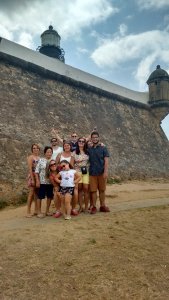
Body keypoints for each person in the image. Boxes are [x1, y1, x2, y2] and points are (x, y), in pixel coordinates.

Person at [87, 131, 110, 214]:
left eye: (96, 137)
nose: (95, 139)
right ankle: (93, 206)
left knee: (102, 190)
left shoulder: (103, 148)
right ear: (91, 139)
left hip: (101, 172)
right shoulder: (89, 149)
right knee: (93, 191)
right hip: (92, 173)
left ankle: (102, 206)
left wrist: (105, 171)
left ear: (98, 138)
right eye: (93, 137)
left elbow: (106, 160)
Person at [35, 146, 53, 218]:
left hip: (50, 182)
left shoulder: (53, 161)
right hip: (42, 182)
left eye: (50, 152)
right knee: (40, 197)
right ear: (45, 153)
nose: (49, 153)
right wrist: (37, 181)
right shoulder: (41, 160)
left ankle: (47, 211)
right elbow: (36, 171)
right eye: (48, 152)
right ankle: (39, 211)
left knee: (49, 197)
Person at [73, 137, 90, 213]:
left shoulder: (88, 151)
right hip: (78, 172)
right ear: (77, 142)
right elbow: (72, 163)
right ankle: (80, 207)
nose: (81, 142)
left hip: (85, 172)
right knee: (79, 189)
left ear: (85, 143)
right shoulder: (74, 152)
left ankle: (86, 207)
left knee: (86, 189)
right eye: (80, 141)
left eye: (83, 141)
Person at [26, 143, 40, 217]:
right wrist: (33, 179)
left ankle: (36, 210)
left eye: (37, 148)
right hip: (32, 177)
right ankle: (28, 211)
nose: (35, 149)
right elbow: (30, 169)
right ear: (32, 149)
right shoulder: (31, 157)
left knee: (36, 194)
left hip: (38, 177)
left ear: (39, 149)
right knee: (31, 194)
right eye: (34, 148)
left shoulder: (39, 157)